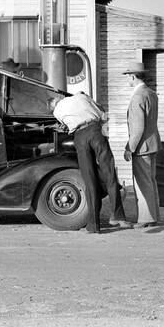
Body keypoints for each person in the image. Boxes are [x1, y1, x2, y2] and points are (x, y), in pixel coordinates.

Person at [52, 90, 126, 233]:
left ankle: (93, 226)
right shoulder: (81, 97)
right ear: (61, 98)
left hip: (79, 138)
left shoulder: (57, 112)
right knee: (109, 174)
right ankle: (117, 216)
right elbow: (102, 113)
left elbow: (65, 126)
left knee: (89, 180)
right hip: (95, 132)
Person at [122, 60, 161, 228]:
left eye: (128, 77)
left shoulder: (138, 96)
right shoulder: (151, 93)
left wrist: (129, 148)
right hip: (152, 144)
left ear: (133, 76)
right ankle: (152, 217)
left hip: (142, 147)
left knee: (142, 183)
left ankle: (146, 219)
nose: (127, 80)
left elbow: (138, 129)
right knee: (150, 181)